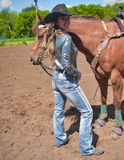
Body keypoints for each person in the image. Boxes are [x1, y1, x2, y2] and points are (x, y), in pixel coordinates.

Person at [44, 3, 104, 156]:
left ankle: (60, 138)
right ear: (57, 21)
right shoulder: (66, 38)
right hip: (67, 80)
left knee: (58, 110)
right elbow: (66, 64)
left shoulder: (54, 36)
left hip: (56, 78)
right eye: (63, 18)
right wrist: (78, 73)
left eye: (68, 18)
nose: (67, 20)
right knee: (87, 112)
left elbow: (59, 62)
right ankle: (86, 148)